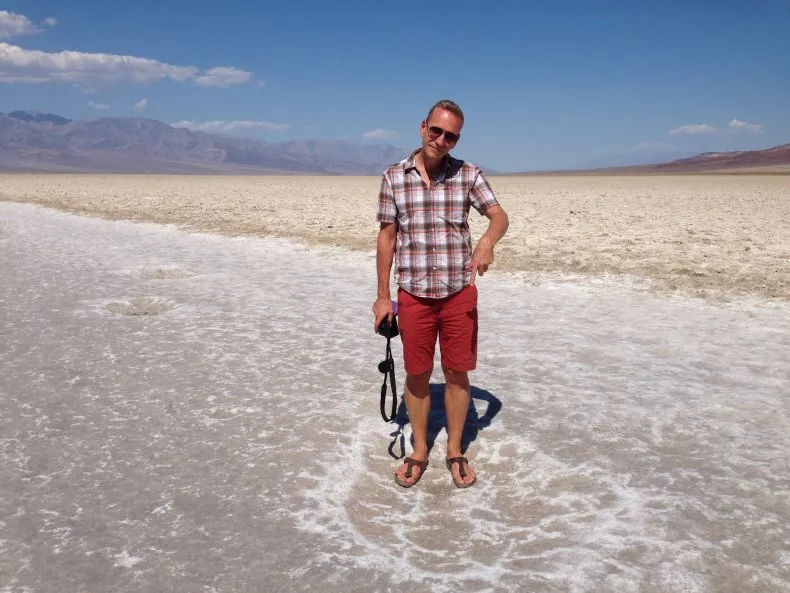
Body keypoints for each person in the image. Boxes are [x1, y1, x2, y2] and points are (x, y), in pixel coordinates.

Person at [372, 99, 509, 488]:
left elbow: (499, 215)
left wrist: (486, 243)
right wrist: (384, 297)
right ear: (422, 127)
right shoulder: (393, 177)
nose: (442, 140)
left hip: (457, 294)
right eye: (436, 131)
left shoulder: (468, 175)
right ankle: (418, 450)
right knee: (417, 374)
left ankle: (454, 450)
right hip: (413, 292)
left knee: (456, 372)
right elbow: (387, 237)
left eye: (451, 135)